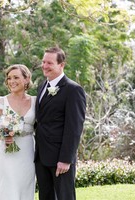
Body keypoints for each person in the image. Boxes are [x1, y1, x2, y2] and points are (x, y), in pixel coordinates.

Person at [35, 46, 86, 200]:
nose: (45, 66)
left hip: (60, 157)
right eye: (43, 62)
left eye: (49, 63)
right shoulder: (42, 86)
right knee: (46, 196)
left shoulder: (73, 89)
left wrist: (65, 159)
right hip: (42, 156)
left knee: (64, 197)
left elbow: (74, 128)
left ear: (61, 65)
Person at [0, 64, 36, 200]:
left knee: (25, 186)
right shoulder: (0, 101)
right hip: (7, 150)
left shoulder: (35, 101)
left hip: (28, 150)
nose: (12, 81)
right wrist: (5, 135)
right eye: (9, 78)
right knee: (8, 186)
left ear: (27, 79)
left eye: (16, 77)